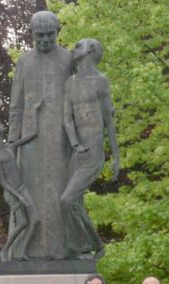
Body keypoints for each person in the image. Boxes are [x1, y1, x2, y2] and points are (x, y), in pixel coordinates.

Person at [7, 10, 73, 260]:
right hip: (29, 139)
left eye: (49, 35)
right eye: (39, 35)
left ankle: (64, 250)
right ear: (32, 34)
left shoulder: (69, 60)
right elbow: (16, 104)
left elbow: (78, 98)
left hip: (61, 137)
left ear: (57, 32)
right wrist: (12, 141)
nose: (44, 40)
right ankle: (25, 252)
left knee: (62, 193)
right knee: (29, 194)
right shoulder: (24, 62)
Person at [59, 37, 115, 256]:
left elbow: (109, 120)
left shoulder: (101, 81)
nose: (73, 49)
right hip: (78, 150)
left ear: (90, 49)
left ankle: (85, 246)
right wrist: (74, 143)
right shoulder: (71, 82)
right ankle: (93, 246)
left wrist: (116, 157)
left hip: (93, 149)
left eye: (78, 46)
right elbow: (67, 118)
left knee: (66, 200)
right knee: (72, 203)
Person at [0, 119, 40, 262]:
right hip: (12, 193)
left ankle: (23, 251)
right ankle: (5, 250)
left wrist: (36, 114)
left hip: (22, 189)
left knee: (36, 220)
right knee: (22, 223)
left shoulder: (9, 147)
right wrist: (18, 196)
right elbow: (3, 182)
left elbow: (32, 134)